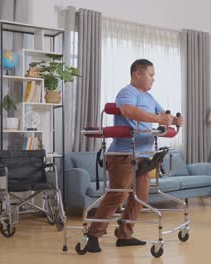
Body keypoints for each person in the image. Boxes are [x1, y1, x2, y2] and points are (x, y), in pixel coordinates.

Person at [86, 59, 183, 252]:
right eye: (151, 75)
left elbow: (163, 114)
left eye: (154, 76)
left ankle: (124, 234)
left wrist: (174, 120)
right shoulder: (127, 93)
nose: (153, 79)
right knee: (117, 195)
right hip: (123, 154)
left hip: (143, 156)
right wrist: (158, 118)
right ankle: (93, 235)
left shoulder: (149, 97)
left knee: (141, 196)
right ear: (137, 74)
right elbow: (128, 111)